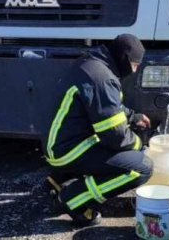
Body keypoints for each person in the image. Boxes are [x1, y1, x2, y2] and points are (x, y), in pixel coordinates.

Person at [41, 34, 153, 227]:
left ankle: (58, 179)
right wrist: (139, 144)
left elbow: (106, 108)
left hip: (59, 142)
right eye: (135, 65)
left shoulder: (93, 64)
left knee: (119, 151)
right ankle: (74, 199)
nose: (134, 71)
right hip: (67, 150)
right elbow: (115, 138)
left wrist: (132, 116)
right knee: (141, 167)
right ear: (125, 60)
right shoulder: (102, 79)